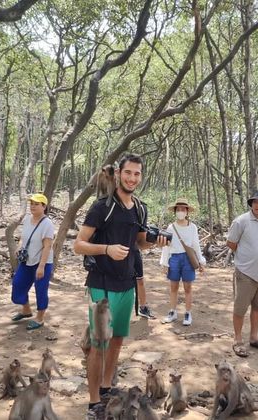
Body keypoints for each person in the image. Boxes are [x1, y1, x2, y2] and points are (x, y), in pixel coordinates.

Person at [73, 153, 167, 419]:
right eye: (128, 173)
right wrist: (106, 249)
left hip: (127, 285)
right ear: (118, 175)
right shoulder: (102, 207)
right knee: (98, 344)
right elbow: (78, 244)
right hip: (101, 285)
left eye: (137, 174)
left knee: (116, 342)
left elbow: (138, 241)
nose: (132, 178)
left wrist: (153, 242)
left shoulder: (139, 207)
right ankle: (93, 402)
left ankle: (105, 388)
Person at [226, 190, 258, 357]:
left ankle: (254, 338)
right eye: (255, 202)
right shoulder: (241, 221)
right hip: (245, 272)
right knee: (240, 308)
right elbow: (231, 243)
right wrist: (245, 258)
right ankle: (238, 340)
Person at [11, 193, 54, 331]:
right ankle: (26, 310)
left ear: (44, 206)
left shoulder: (47, 223)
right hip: (27, 261)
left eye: (36, 204)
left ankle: (40, 318)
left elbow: (48, 246)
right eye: (31, 204)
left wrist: (41, 267)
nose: (33, 206)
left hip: (42, 262)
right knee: (18, 284)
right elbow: (23, 237)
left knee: (40, 289)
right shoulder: (28, 219)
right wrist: (19, 246)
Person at [160, 198, 206, 326]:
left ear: (187, 211)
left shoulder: (192, 227)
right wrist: (165, 263)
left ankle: (187, 313)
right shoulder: (171, 227)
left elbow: (196, 245)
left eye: (183, 209)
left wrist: (201, 261)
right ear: (175, 211)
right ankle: (173, 312)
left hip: (187, 259)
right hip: (174, 258)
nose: (180, 211)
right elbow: (166, 246)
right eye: (178, 209)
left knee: (188, 287)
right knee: (173, 287)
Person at [134, 248, 156, 319]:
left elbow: (142, 242)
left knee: (140, 281)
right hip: (118, 251)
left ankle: (143, 308)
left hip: (134, 251)